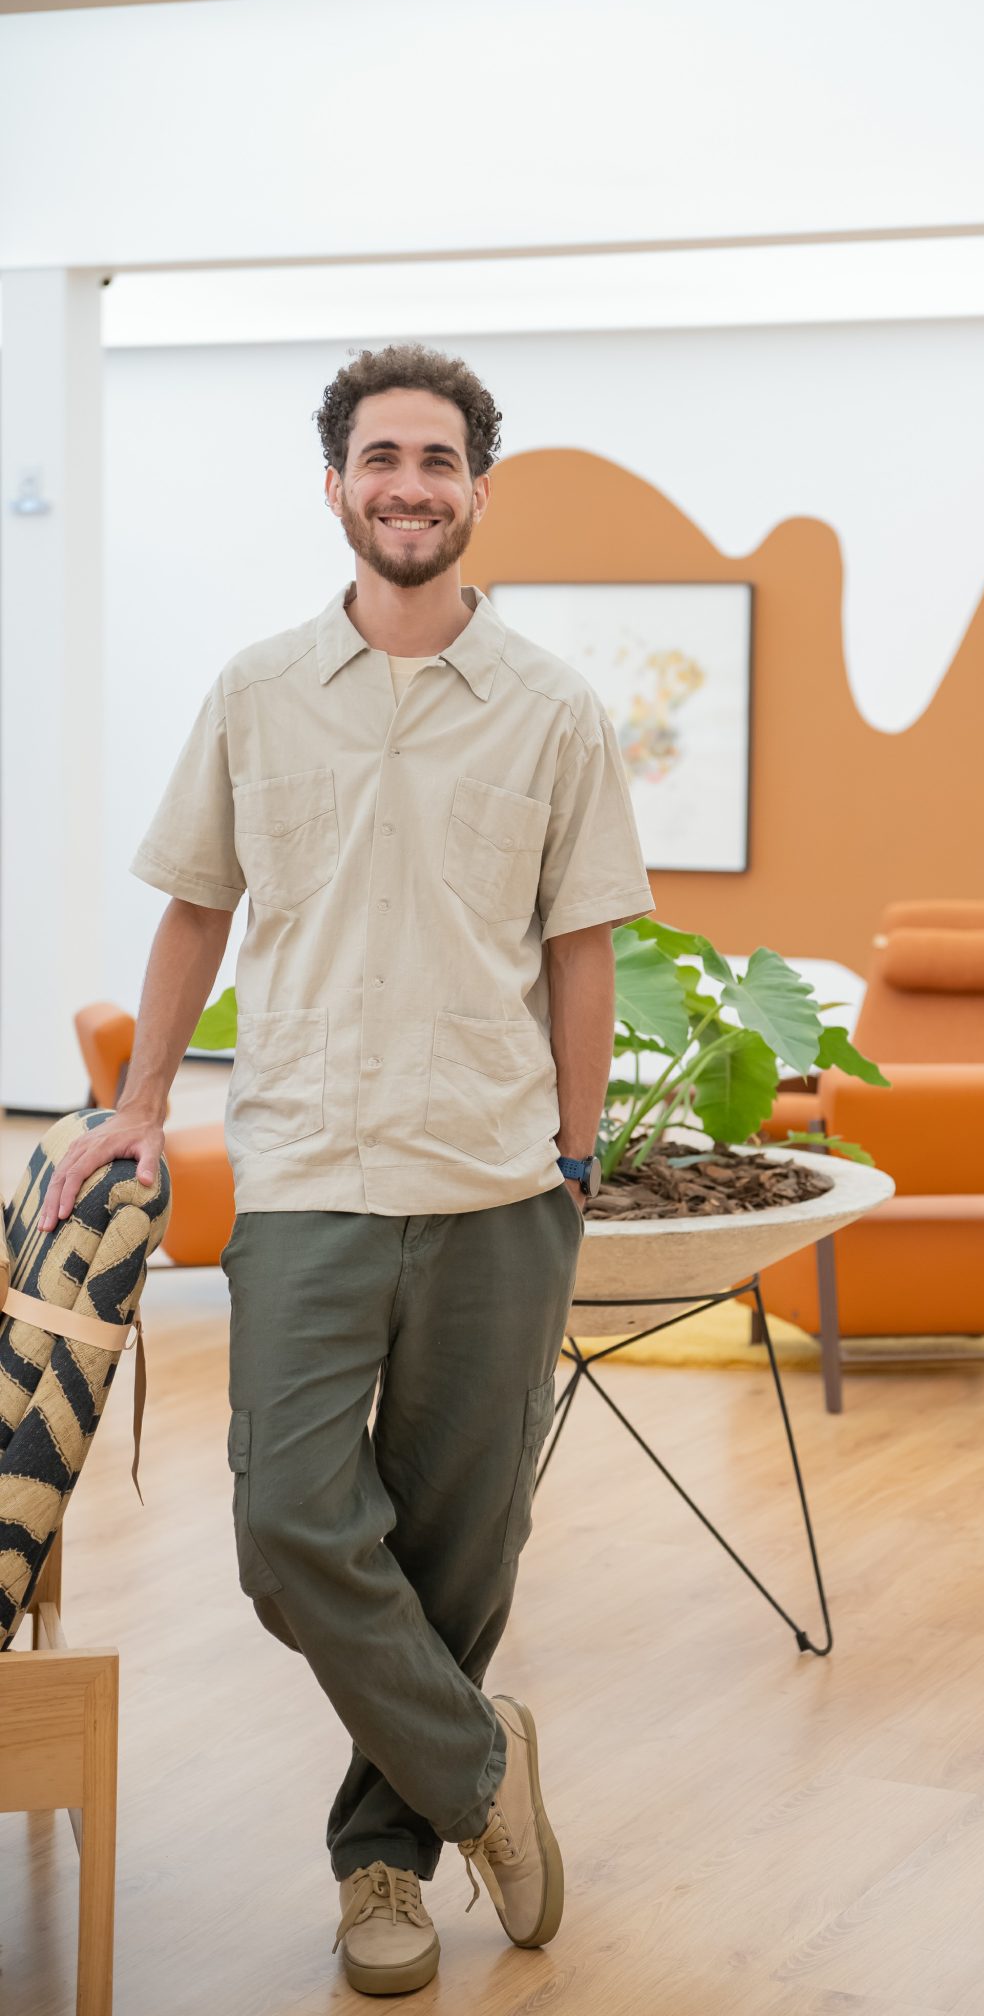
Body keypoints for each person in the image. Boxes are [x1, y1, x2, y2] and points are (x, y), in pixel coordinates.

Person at [36, 343, 655, 1996]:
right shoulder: (255, 692)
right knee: (289, 1528)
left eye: (438, 459)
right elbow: (197, 905)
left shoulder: (553, 710)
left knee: (458, 1551)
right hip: (307, 1174)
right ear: (335, 485)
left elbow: (581, 949)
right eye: (381, 456)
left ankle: (382, 1868)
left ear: (476, 491)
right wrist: (139, 1102)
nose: (408, 485)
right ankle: (480, 1770)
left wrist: (573, 1157)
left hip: (493, 1186)